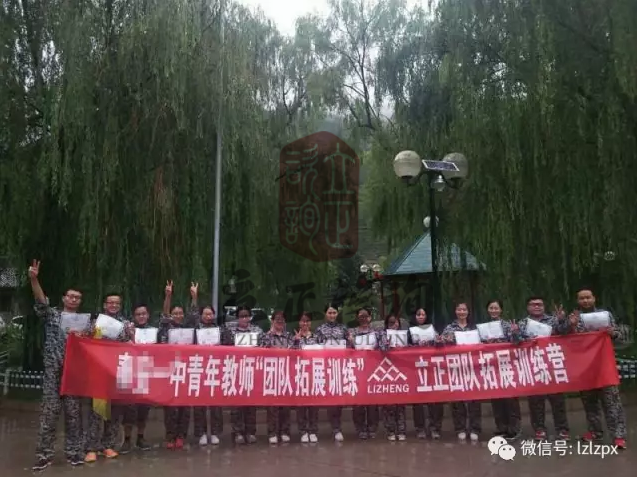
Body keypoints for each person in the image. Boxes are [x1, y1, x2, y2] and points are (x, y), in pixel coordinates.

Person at [29, 260, 87, 471]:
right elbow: (41, 301)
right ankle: (44, 455)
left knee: (74, 416)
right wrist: (34, 279)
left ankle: (74, 453)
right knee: (49, 415)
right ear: (64, 298)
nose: (73, 299)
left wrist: (83, 336)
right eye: (70, 296)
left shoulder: (85, 321)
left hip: (73, 375)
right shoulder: (53, 315)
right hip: (54, 373)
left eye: (77, 297)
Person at [570, 288, 627, 450]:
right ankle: (595, 432)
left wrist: (612, 333)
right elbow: (567, 339)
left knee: (612, 402)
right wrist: (571, 326)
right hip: (584, 367)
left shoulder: (605, 315)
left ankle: (618, 436)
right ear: (578, 301)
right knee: (589, 402)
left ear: (594, 298)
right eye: (582, 298)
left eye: (588, 297)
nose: (585, 301)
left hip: (604, 365)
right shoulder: (574, 317)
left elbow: (619, 336)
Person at [517, 296, 573, 440]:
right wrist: (518, 335)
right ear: (528, 307)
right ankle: (539, 429)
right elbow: (517, 342)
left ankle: (562, 429)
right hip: (533, 365)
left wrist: (563, 320)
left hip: (552, 364)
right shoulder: (522, 323)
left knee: (557, 400)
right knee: (535, 401)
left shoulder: (553, 320)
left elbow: (564, 332)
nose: (537, 307)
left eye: (539, 304)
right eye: (533, 304)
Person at [85, 291, 131, 463]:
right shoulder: (95, 322)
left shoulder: (125, 324)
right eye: (111, 302)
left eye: (117, 303)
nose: (114, 305)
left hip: (117, 370)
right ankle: (91, 447)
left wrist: (131, 334)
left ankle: (108, 445)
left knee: (115, 410)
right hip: (98, 370)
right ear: (105, 305)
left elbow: (130, 344)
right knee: (96, 410)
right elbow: (86, 341)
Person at [158, 280, 198, 449]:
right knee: (170, 406)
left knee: (185, 406)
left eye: (180, 313)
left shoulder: (189, 326)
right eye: (175, 313)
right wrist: (168, 296)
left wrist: (194, 297)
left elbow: (194, 314)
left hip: (187, 371)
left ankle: (181, 435)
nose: (178, 315)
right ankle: (170, 436)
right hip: (170, 370)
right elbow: (164, 314)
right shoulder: (166, 326)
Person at [222, 304, 265, 444]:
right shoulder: (230, 330)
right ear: (237, 317)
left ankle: (251, 432)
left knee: (251, 404)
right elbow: (224, 348)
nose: (244, 318)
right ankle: (238, 432)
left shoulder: (257, 331)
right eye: (241, 316)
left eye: (247, 316)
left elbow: (264, 347)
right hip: (236, 370)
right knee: (236, 404)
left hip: (252, 371)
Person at [481, 300, 522, 440]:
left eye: (496, 308)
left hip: (506, 364)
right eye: (491, 308)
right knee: (496, 397)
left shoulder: (507, 325)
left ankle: (514, 428)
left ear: (501, 310)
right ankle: (501, 427)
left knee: (510, 397)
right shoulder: (483, 327)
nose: (493, 310)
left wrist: (515, 332)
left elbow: (516, 342)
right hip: (491, 365)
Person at [442, 302, 482, 442]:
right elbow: (441, 345)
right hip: (456, 367)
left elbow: (483, 344)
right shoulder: (449, 328)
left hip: (473, 367)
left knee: (474, 399)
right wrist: (445, 341)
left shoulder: (475, 328)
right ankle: (460, 428)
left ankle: (475, 428)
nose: (462, 312)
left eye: (464, 309)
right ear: (455, 311)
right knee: (457, 398)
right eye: (459, 309)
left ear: (468, 311)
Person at [348, 306, 389, 440]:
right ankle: (360, 428)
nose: (363, 318)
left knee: (372, 401)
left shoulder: (377, 332)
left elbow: (384, 348)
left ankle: (372, 427)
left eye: (366, 316)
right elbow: (346, 351)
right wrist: (350, 342)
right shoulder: (352, 332)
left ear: (370, 317)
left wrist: (385, 340)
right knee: (358, 402)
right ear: (357, 317)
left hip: (373, 370)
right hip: (357, 370)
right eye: (361, 316)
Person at [119, 303, 154, 453]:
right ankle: (126, 440)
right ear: (134, 316)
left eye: (143, 313)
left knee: (143, 409)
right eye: (138, 314)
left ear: (148, 315)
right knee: (128, 409)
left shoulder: (154, 331)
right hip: (129, 373)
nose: (141, 316)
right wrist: (131, 337)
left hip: (146, 372)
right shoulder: (126, 331)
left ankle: (140, 437)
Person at [192, 290, 224, 446]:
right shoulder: (195, 329)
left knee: (216, 404)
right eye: (205, 314)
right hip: (199, 368)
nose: (208, 316)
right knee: (199, 404)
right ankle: (202, 433)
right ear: (201, 315)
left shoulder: (220, 329)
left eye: (210, 314)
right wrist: (194, 297)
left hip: (216, 369)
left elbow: (227, 347)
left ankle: (215, 432)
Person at [315, 304, 349, 442]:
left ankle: (337, 427)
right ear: (325, 314)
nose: (332, 315)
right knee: (331, 399)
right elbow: (316, 346)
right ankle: (335, 428)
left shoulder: (343, 328)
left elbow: (350, 347)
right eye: (329, 313)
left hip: (340, 367)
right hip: (326, 367)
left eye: (334, 312)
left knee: (338, 399)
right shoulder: (319, 330)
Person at [408, 307, 444, 439]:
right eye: (418, 314)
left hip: (432, 368)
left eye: (423, 314)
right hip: (416, 368)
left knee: (435, 399)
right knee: (417, 401)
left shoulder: (433, 329)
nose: (421, 316)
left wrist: (438, 341)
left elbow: (440, 346)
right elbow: (404, 347)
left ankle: (435, 427)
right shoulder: (409, 331)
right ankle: (420, 428)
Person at [263, 311, 294, 444]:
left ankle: (285, 431)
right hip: (272, 373)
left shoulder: (289, 336)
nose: (279, 322)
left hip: (286, 373)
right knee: (272, 405)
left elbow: (295, 352)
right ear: (272, 321)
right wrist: (270, 334)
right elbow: (262, 350)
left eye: (282, 320)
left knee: (285, 405)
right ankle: (272, 432)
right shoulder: (266, 335)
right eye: (277, 319)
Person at [292, 312, 322, 443]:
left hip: (314, 374)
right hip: (299, 374)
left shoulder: (317, 337)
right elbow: (290, 355)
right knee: (301, 405)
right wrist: (296, 340)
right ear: (299, 323)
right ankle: (303, 431)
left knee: (313, 405)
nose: (305, 323)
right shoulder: (294, 337)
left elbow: (323, 353)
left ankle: (313, 430)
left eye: (307, 321)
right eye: (303, 321)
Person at [382, 314, 406, 441]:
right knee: (388, 404)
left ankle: (401, 430)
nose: (394, 325)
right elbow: (379, 349)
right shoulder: (382, 335)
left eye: (396, 322)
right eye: (391, 322)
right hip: (386, 371)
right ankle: (390, 430)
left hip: (401, 371)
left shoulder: (404, 334)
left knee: (401, 403)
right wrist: (386, 344)